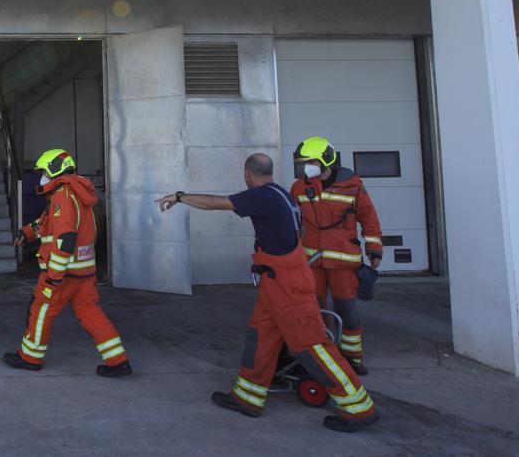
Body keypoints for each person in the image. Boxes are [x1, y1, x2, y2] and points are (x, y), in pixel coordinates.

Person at [157, 153, 378, 432]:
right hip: (275, 283)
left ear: (248, 173)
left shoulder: (264, 196)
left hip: (288, 287)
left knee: (313, 346)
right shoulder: (280, 193)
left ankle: (358, 407)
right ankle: (248, 397)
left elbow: (216, 203)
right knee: (260, 337)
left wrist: (179, 197)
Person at [2, 149, 132, 378]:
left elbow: (65, 237)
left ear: (54, 169)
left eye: (43, 171)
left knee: (41, 310)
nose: (41, 176)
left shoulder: (62, 195)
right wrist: (26, 233)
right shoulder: (79, 193)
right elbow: (49, 223)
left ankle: (30, 358)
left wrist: (54, 275)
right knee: (91, 313)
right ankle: (118, 361)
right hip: (84, 271)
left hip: (64, 273)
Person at [290, 136, 383, 375]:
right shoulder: (299, 187)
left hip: (344, 262)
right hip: (312, 262)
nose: (305, 166)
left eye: (310, 161)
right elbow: (292, 222)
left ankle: (352, 358)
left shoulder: (352, 185)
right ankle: (323, 353)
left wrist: (374, 249)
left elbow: (369, 218)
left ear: (325, 160)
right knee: (314, 309)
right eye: (303, 162)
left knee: (347, 310)